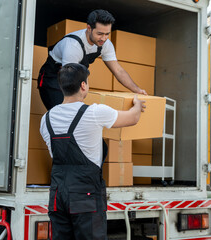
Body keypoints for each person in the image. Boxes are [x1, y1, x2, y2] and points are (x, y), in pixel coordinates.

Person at [40, 63, 145, 239]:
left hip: (58, 193)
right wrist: (137, 104)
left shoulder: (46, 118)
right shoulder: (95, 112)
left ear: (62, 86)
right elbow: (133, 118)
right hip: (84, 193)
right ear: (83, 85)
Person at [38, 9, 146, 110]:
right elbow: (70, 78)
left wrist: (137, 90)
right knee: (64, 115)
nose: (103, 38)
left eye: (107, 34)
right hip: (53, 79)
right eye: (99, 34)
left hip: (74, 77)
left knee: (76, 115)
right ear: (89, 28)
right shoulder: (73, 45)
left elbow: (118, 70)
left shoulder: (105, 44)